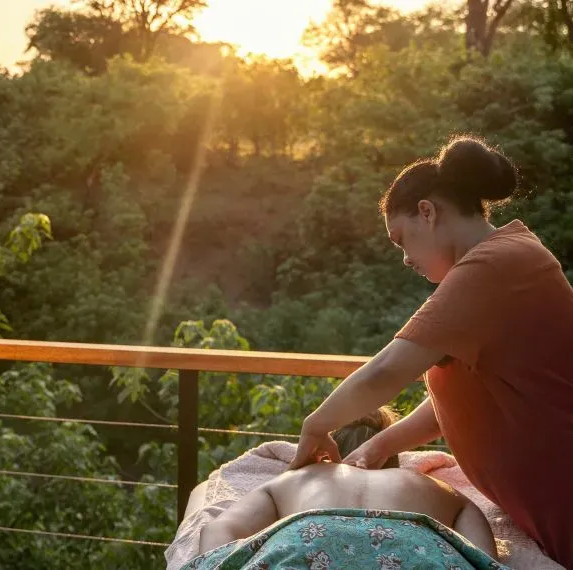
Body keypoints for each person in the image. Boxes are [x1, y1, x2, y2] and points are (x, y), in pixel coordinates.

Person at [288, 135, 573, 566]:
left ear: (427, 211)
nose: (404, 259)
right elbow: (456, 402)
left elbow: (387, 370)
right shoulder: (499, 262)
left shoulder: (496, 265)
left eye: (401, 239)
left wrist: (316, 424)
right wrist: (380, 445)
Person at [193, 408, 500, 568]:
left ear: (329, 452)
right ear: (394, 461)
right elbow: (482, 553)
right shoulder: (426, 484)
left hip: (308, 542)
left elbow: (220, 532)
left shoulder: (297, 477)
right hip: (413, 550)